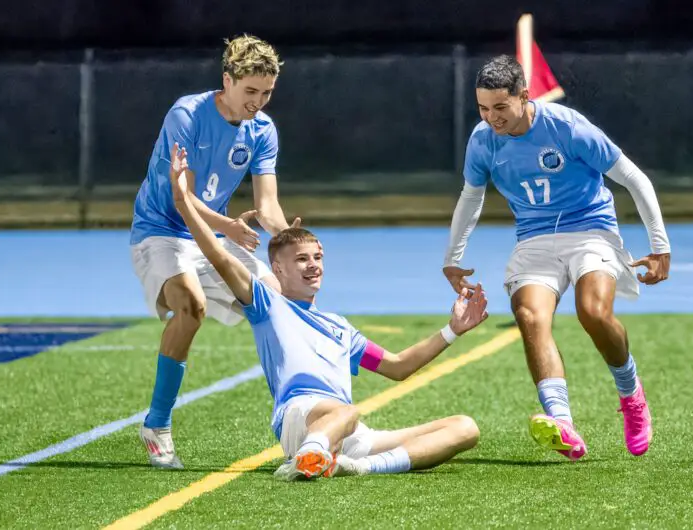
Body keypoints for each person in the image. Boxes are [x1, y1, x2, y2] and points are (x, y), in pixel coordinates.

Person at [167, 141, 487, 480]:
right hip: (303, 419)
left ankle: (357, 467)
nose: (313, 266)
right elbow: (219, 256)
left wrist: (453, 330)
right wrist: (183, 201)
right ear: (277, 269)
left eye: (317, 258)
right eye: (301, 259)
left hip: (348, 432)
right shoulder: (266, 304)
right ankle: (309, 454)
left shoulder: (339, 327)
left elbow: (397, 367)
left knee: (464, 428)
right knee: (346, 411)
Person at [442, 55, 671, 460]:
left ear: (523, 96)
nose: (491, 117)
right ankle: (562, 423)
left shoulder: (567, 127)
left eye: (500, 107)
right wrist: (452, 258)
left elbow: (634, 178)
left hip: (591, 230)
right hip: (533, 238)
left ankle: (630, 394)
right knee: (530, 317)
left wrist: (660, 247)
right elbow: (470, 198)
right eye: (482, 108)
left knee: (593, 312)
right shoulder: (482, 140)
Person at [130, 35, 299, 469]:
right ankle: (158, 424)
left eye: (266, 93)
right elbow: (179, 194)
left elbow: (267, 207)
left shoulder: (263, 130)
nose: (258, 102)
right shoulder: (186, 114)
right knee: (191, 304)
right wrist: (226, 226)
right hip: (161, 231)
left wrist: (287, 238)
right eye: (251, 92)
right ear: (228, 80)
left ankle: (297, 426)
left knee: (275, 298)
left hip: (209, 237)